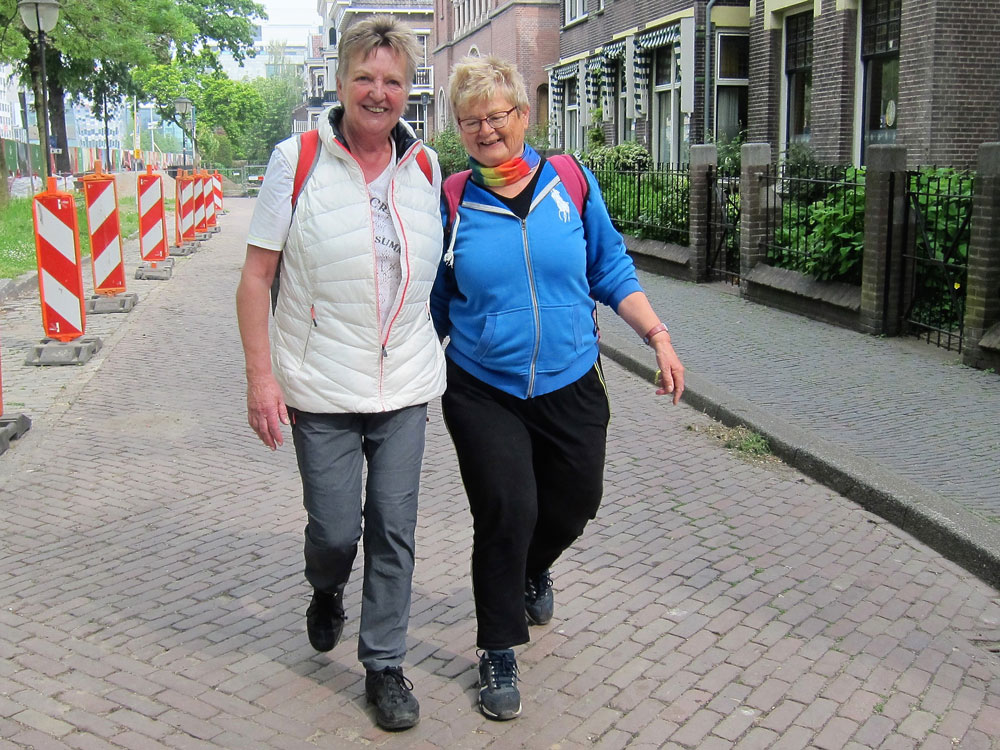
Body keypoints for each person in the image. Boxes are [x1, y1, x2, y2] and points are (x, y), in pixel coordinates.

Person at [430, 56, 685, 721]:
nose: (486, 130)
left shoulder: (570, 181)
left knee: (575, 503)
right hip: (483, 385)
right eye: (471, 121)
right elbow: (431, 299)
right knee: (506, 509)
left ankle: (532, 568)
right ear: (460, 128)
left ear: (523, 115)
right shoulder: (452, 199)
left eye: (497, 115)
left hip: (572, 376)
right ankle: (498, 647)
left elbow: (610, 267)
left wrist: (657, 336)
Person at [235, 16, 445, 732]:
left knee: (394, 526)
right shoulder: (295, 160)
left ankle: (383, 664)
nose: (378, 93)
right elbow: (256, 278)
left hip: (404, 382)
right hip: (320, 382)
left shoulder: (425, 168)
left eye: (392, 81)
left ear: (408, 90)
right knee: (334, 530)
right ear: (340, 82)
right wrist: (261, 378)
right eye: (365, 77)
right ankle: (326, 588)